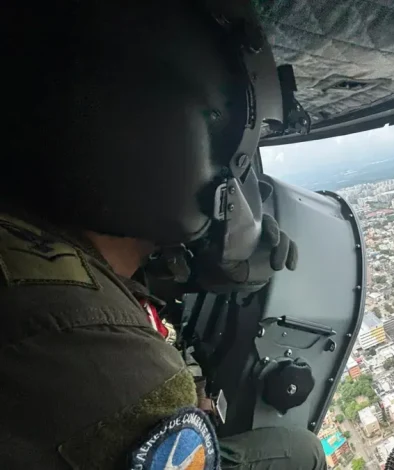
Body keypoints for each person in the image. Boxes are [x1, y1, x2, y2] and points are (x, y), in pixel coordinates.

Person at [0, 1, 325, 469]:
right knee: (301, 453)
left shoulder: (26, 239)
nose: (244, 184)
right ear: (177, 150)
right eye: (240, 161)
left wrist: (212, 260)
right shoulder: (101, 351)